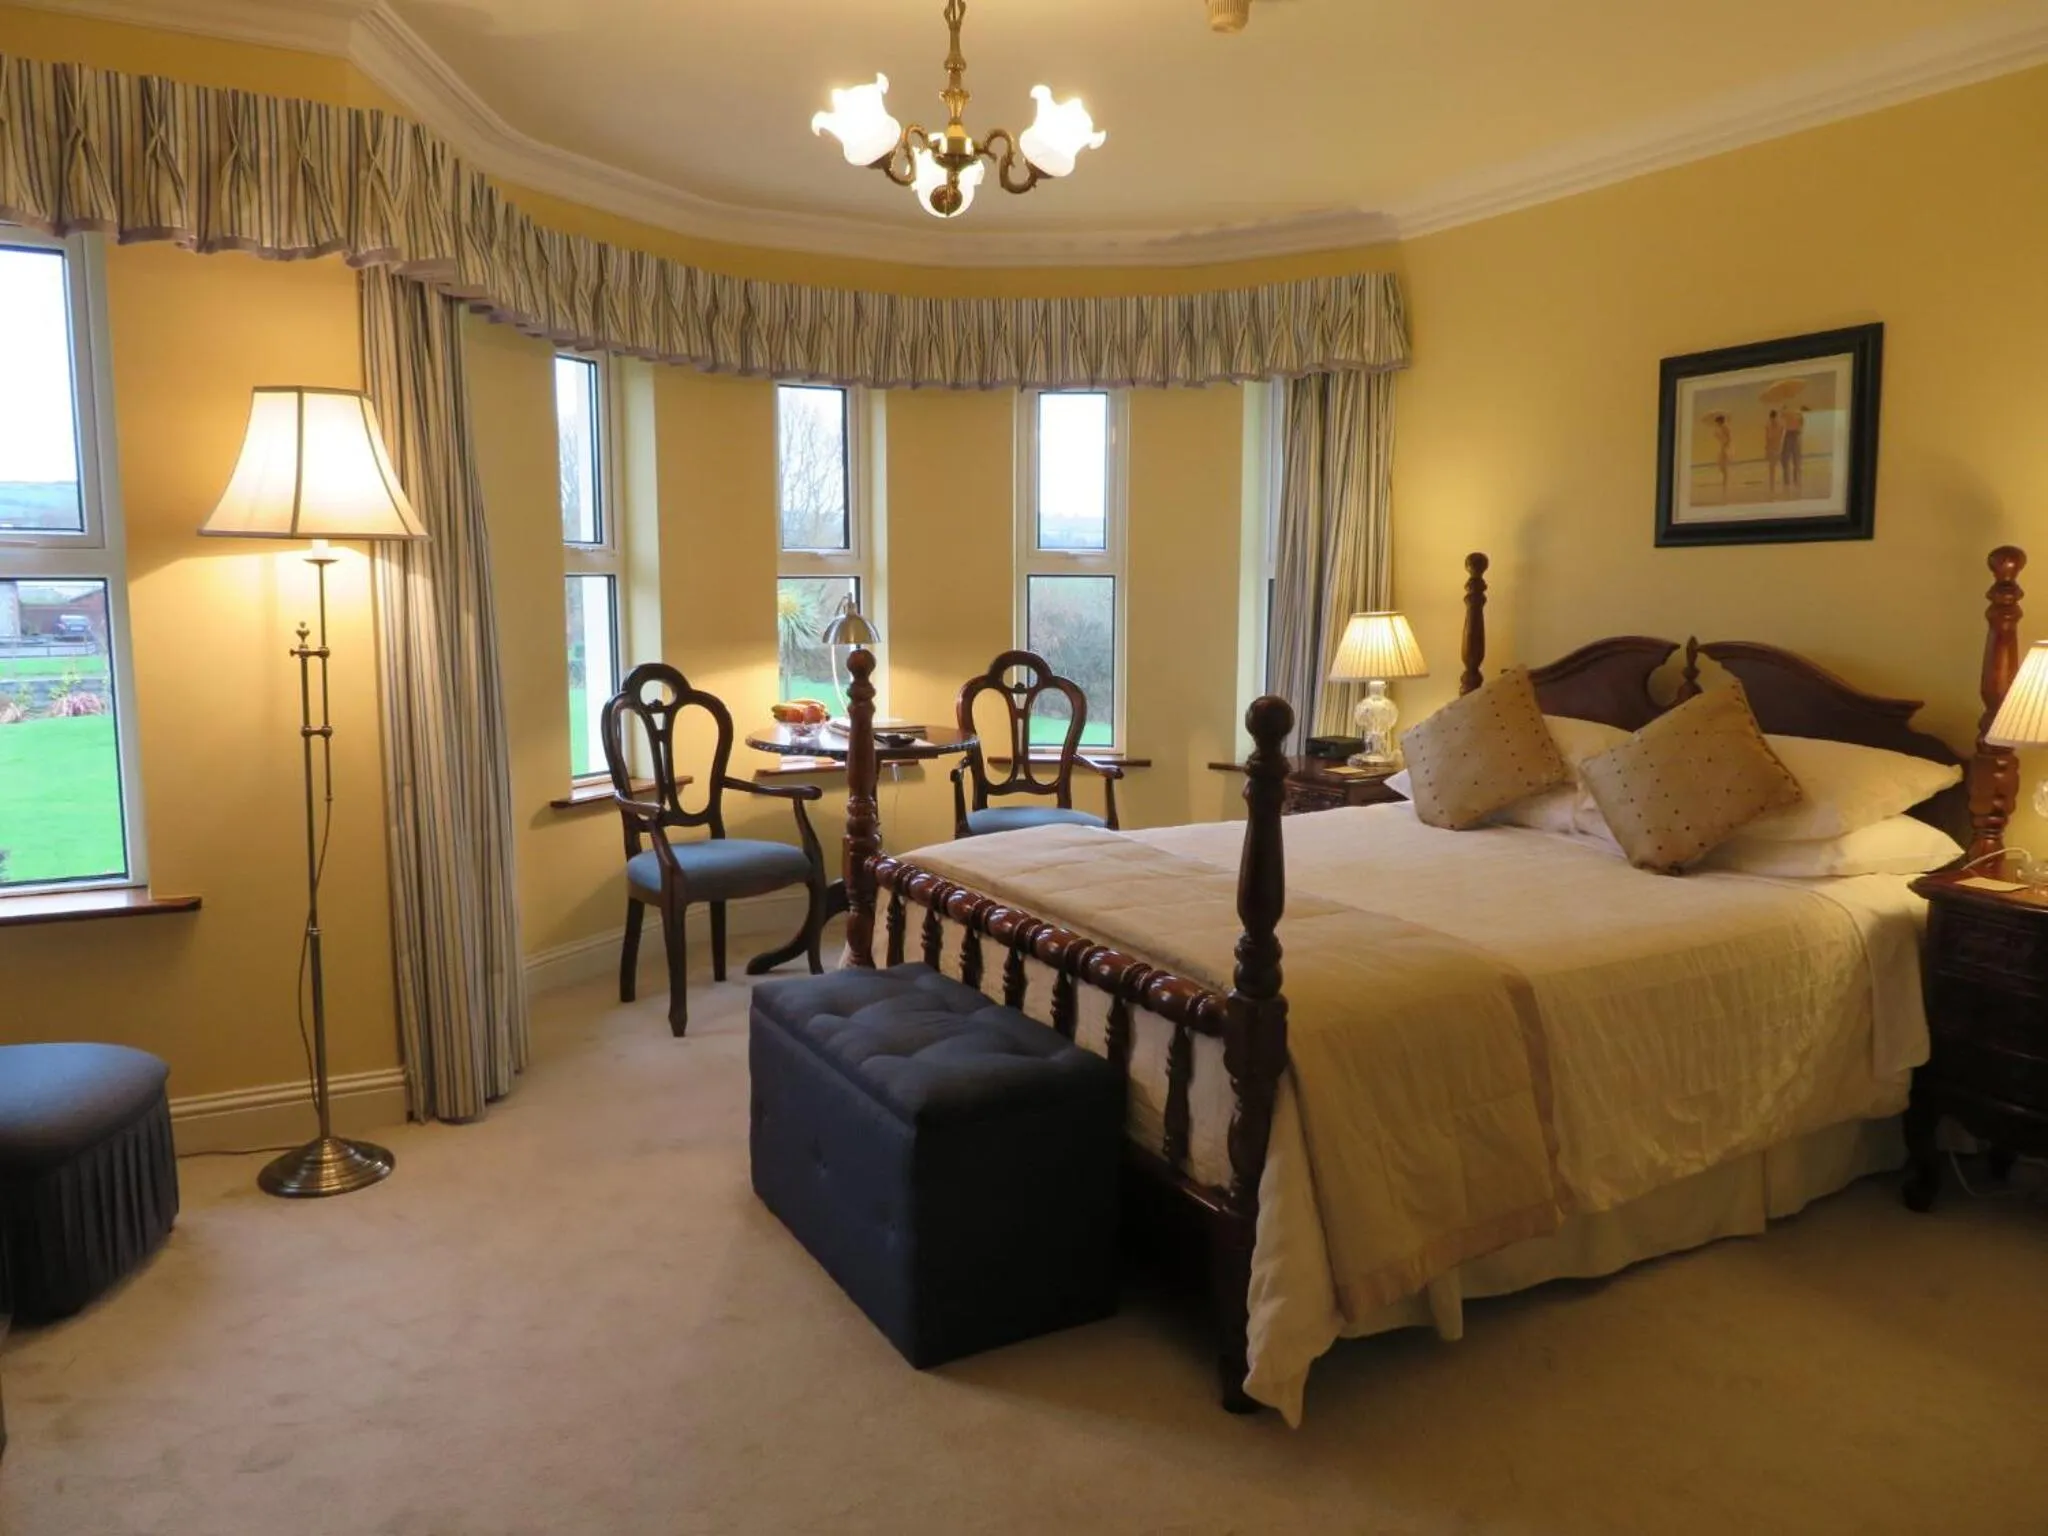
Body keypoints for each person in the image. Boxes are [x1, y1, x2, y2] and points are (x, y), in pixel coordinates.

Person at [1780, 404, 1806, 492]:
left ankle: (1794, 481)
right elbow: (1801, 422)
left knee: (1794, 459)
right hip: (1791, 433)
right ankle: (1790, 481)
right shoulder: (1792, 410)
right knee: (1788, 459)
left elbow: (1801, 421)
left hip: (1794, 434)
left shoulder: (1795, 410)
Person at [1708, 412, 1732, 497]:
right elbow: (1721, 438)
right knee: (1722, 467)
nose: (1717, 423)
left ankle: (1725, 487)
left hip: (1725, 449)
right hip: (1723, 448)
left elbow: (1728, 438)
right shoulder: (1722, 428)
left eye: (1718, 422)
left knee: (1724, 468)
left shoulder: (1725, 427)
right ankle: (1724, 486)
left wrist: (1725, 446)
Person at [1764, 408, 1785, 495]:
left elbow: (1782, 437)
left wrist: (1780, 447)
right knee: (1772, 467)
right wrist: (1767, 448)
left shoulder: (1781, 426)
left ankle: (1783, 484)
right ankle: (1772, 486)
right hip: (1772, 448)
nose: (1773, 419)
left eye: (1774, 417)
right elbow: (1767, 438)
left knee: (1782, 465)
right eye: (1771, 418)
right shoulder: (1768, 426)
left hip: (1779, 447)